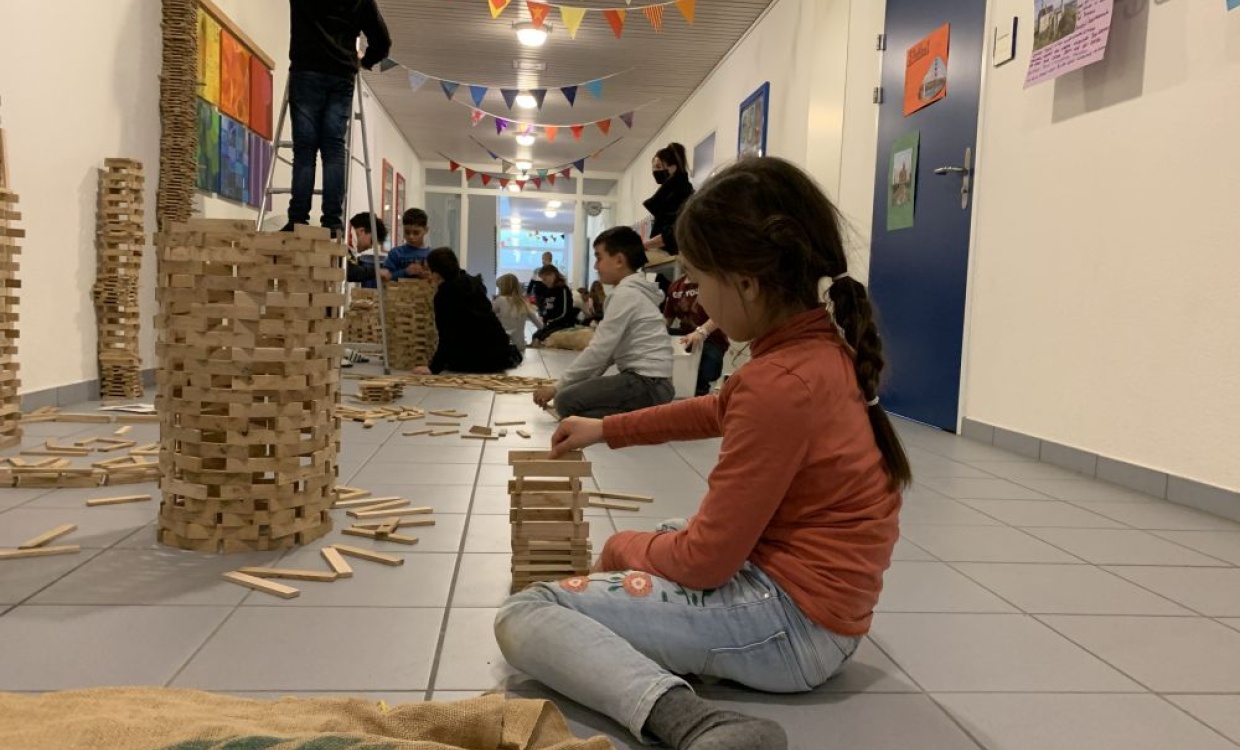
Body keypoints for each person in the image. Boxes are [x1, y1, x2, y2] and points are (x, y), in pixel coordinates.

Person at [495, 157, 912, 750]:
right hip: (825, 616)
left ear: (746, 282)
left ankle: (691, 719)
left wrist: (623, 549)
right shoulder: (820, 350)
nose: (696, 302)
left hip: (792, 628)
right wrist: (605, 429)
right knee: (671, 529)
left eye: (699, 280)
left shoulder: (780, 382)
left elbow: (704, 563)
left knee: (526, 613)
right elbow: (714, 411)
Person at [532, 227, 673, 419]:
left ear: (619, 260)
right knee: (571, 398)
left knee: (565, 402)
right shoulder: (633, 291)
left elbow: (598, 350)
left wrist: (557, 388)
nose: (595, 266)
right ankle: (641, 417)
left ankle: (643, 419)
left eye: (599, 258)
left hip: (647, 385)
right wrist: (568, 384)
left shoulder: (625, 294)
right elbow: (605, 356)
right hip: (655, 385)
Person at [284, 1, 390, 236]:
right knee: (333, 149)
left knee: (304, 150)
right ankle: (332, 223)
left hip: (306, 69)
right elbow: (383, 42)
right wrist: (366, 61)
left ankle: (297, 220)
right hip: (341, 74)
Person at [411, 248, 520, 375]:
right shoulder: (472, 283)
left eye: (428, 270)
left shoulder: (445, 294)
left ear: (436, 274)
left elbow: (447, 334)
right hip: (500, 354)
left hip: (477, 359)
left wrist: (433, 368)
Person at [664, 276, 728, 397]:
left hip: (711, 338)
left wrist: (702, 331)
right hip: (685, 334)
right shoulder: (674, 287)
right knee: (660, 336)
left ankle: (700, 391)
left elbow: (721, 312)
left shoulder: (711, 280)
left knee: (710, 367)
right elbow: (667, 319)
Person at [641, 143, 694, 255]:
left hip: (678, 254)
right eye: (653, 167)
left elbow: (674, 232)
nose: (654, 171)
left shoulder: (680, 192)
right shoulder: (671, 192)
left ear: (673, 168)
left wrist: (645, 245)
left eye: (658, 166)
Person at [494, 273, 543, 354]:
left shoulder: (500, 300)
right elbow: (540, 326)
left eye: (499, 288)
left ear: (503, 288)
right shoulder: (524, 303)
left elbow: (488, 317)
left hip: (502, 344)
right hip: (520, 346)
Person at [530, 265, 577, 345]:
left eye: (545, 279)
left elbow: (564, 312)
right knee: (536, 335)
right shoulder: (548, 290)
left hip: (563, 323)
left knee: (543, 337)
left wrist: (550, 321)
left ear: (552, 275)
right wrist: (544, 318)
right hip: (551, 324)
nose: (543, 282)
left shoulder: (563, 289)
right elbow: (546, 308)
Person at [383, 208, 432, 281]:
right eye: (407, 232)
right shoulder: (395, 253)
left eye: (416, 233)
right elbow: (384, 278)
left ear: (426, 230)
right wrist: (405, 271)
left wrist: (431, 277)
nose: (411, 236)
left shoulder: (432, 255)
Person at [345, 213, 391, 285]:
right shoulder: (344, 239)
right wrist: (376, 272)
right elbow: (348, 271)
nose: (370, 247)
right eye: (371, 241)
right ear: (361, 231)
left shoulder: (349, 246)